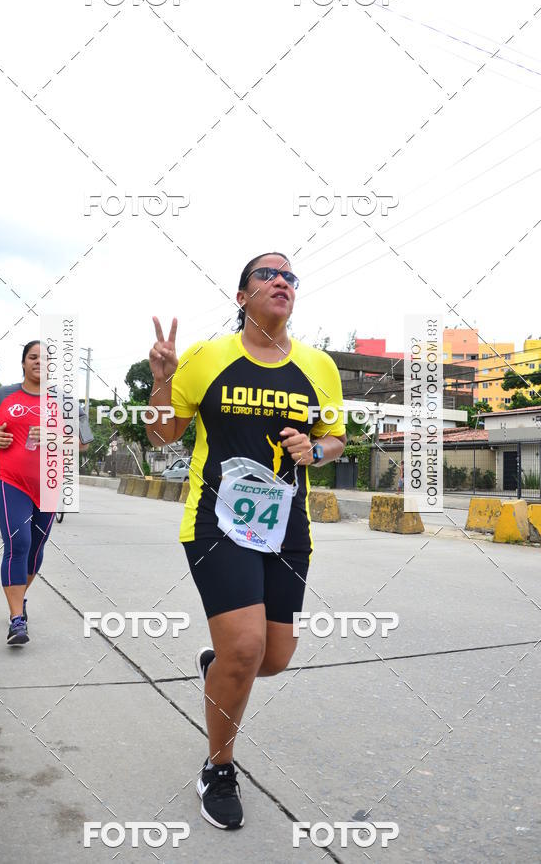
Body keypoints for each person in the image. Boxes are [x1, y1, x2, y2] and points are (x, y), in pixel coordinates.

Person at [146, 252, 347, 830]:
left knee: (273, 658)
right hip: (218, 523)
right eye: (268, 274)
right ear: (241, 297)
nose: (282, 281)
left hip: (287, 526)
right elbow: (163, 434)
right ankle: (219, 765)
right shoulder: (208, 357)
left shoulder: (319, 367)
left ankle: (223, 665)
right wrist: (162, 378)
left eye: (290, 276)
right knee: (244, 649)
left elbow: (334, 439)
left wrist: (318, 449)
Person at [0, 341, 93, 646]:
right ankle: (17, 620)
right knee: (19, 542)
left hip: (49, 484)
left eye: (46, 358)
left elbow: (83, 442)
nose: (40, 362)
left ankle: (20, 598)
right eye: (33, 357)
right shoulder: (4, 395)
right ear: (24, 363)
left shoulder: (67, 402)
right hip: (7, 479)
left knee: (36, 549)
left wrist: (55, 434)